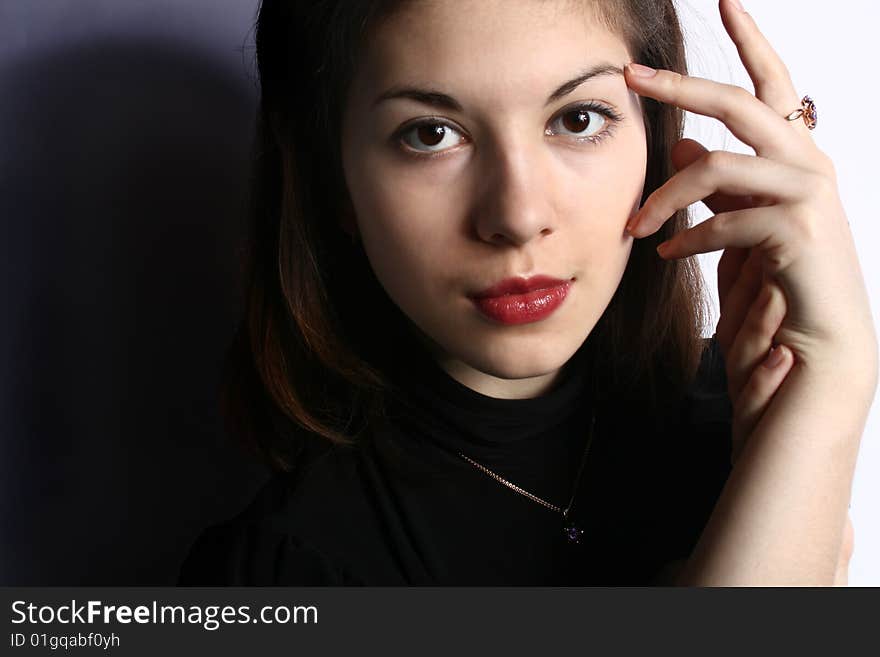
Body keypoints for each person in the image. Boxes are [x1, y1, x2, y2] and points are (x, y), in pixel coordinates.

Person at [178, 0, 874, 586]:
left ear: (656, 139)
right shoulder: (282, 572)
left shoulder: (757, 411)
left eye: (577, 118)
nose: (516, 215)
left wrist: (827, 383)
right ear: (335, 188)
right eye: (431, 134)